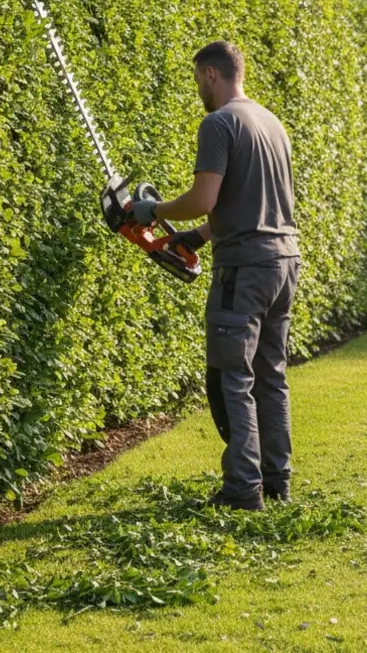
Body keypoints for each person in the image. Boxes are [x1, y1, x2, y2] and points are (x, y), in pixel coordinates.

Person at [130, 41, 300, 512]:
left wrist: (154, 210)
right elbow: (251, 201)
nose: (198, 90)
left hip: (244, 269)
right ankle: (277, 482)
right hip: (284, 261)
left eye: (197, 80)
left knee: (233, 378)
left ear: (210, 73)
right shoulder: (271, 122)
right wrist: (200, 236)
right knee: (270, 375)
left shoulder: (219, 123)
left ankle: (243, 490)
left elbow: (204, 198)